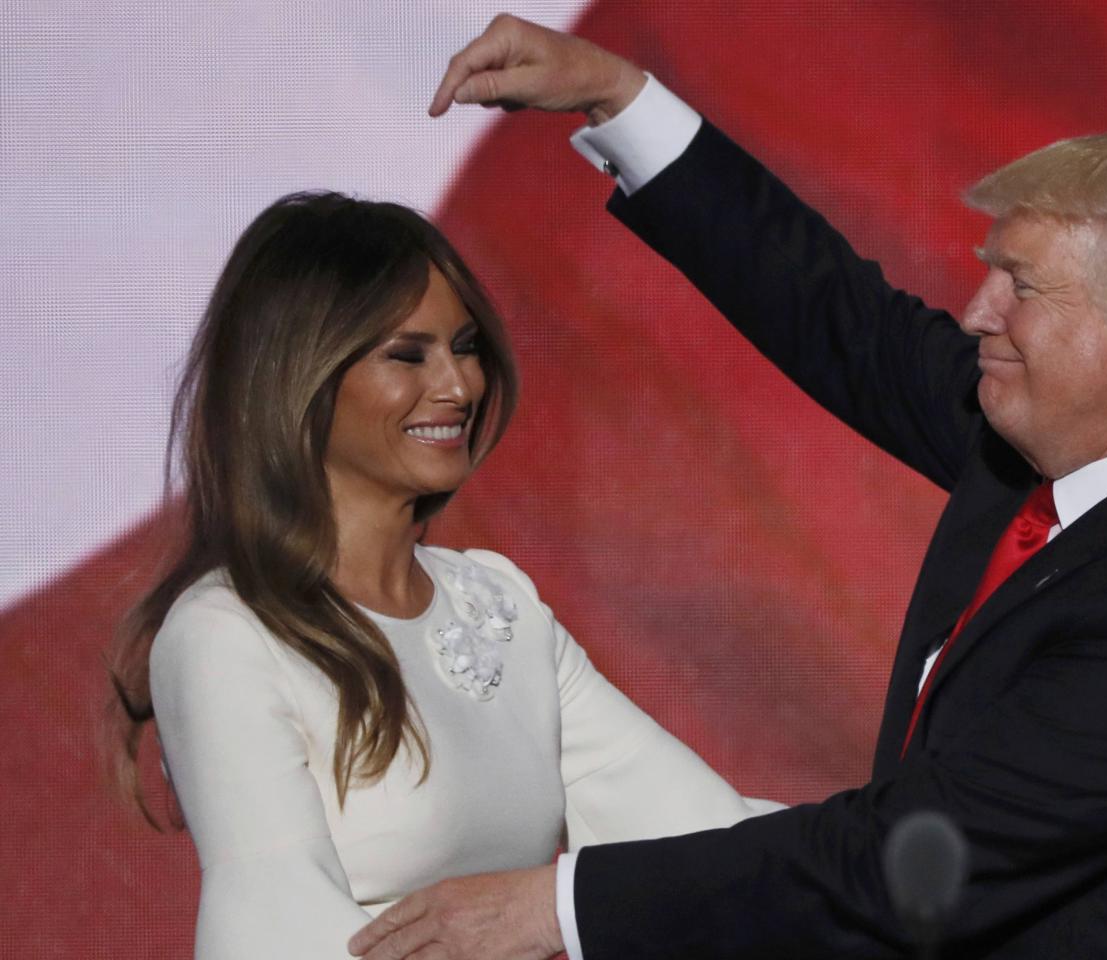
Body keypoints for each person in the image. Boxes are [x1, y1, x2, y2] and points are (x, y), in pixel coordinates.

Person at [353, 14, 1107, 959]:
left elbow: (908, 864)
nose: (974, 313)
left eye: (1021, 286)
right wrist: (620, 98)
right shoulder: (1099, 431)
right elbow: (843, 320)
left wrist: (560, 908)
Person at [106, 191, 777, 960]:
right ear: (298, 374)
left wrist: (901, 869)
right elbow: (276, 928)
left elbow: (707, 838)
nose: (459, 385)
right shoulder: (225, 633)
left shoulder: (498, 604)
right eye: (408, 354)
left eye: (465, 347)